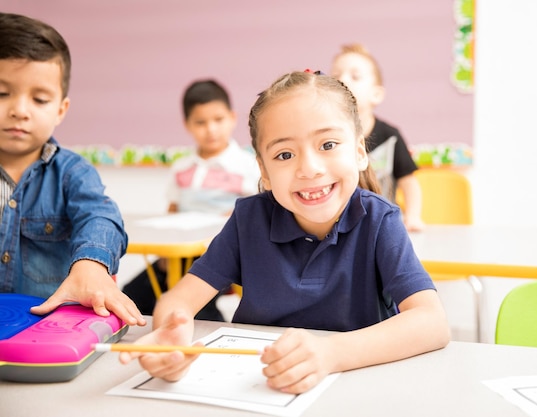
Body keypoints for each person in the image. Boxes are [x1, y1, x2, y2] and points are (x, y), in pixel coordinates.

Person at [119, 70, 450, 394]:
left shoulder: (380, 220)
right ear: (264, 169)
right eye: (285, 154)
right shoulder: (249, 220)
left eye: (328, 144)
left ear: (360, 152)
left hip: (355, 389)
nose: (309, 168)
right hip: (259, 388)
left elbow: (432, 323)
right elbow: (178, 301)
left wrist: (330, 354)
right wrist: (172, 335)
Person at [0, 13, 145, 326]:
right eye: (2, 93)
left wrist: (92, 264)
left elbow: (101, 216)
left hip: (47, 330)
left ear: (60, 110)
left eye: (39, 99)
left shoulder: (72, 173)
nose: (19, 111)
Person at [122, 79, 259, 320]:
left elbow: (256, 212)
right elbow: (173, 210)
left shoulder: (247, 166)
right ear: (187, 125)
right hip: (180, 253)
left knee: (198, 308)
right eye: (201, 122)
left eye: (218, 120)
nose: (211, 129)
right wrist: (165, 252)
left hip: (224, 254)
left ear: (233, 117)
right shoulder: (181, 167)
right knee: (133, 295)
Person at [330, 43, 424, 231]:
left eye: (355, 76)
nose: (342, 81)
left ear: (376, 94)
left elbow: (409, 183)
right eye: (335, 77)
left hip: (382, 226)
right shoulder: (327, 138)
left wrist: (413, 216)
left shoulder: (391, 136)